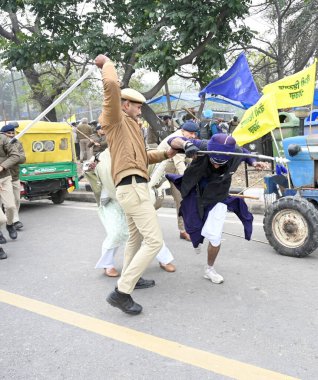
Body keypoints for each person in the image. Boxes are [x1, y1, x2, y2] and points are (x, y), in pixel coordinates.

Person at [95, 54, 177, 315]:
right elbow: (110, 88)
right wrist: (106, 63)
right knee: (154, 241)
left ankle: (133, 278)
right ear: (125, 105)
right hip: (132, 187)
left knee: (135, 238)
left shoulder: (132, 127)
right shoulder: (115, 120)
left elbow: (143, 158)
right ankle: (122, 292)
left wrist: (167, 154)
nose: (141, 110)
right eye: (138, 106)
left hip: (133, 186)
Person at [167, 133, 268, 284]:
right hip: (195, 194)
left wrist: (253, 162)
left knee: (215, 237)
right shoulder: (203, 145)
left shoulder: (236, 152)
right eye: (213, 161)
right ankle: (196, 240)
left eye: (220, 163)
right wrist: (186, 145)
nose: (215, 165)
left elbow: (245, 154)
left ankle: (209, 269)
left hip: (218, 198)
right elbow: (172, 140)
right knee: (193, 228)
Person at [94, 149, 176, 277]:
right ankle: (107, 264)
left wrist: (167, 153)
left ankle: (164, 260)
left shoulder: (135, 149)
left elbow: (152, 162)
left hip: (136, 196)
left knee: (150, 231)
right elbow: (95, 175)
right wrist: (92, 167)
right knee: (117, 233)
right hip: (113, 201)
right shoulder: (102, 156)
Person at [157, 120, 199, 242]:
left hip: (171, 168)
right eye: (190, 133)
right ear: (183, 130)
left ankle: (183, 230)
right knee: (156, 200)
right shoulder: (178, 139)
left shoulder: (184, 138)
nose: (193, 136)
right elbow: (179, 162)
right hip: (162, 169)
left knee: (181, 199)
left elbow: (186, 158)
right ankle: (141, 224)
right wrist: (187, 181)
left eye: (194, 133)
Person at [0, 127, 22, 253]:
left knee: (11, 207)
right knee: (0, 218)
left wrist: (3, 166)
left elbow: (15, 155)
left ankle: (10, 225)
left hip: (5, 178)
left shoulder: (3, 138)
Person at [1, 123, 26, 231]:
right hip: (3, 176)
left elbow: (22, 158)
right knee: (6, 201)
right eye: (8, 133)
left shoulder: (17, 143)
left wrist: (12, 157)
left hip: (14, 176)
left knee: (16, 199)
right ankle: (13, 220)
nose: (11, 135)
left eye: (12, 133)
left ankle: (13, 220)